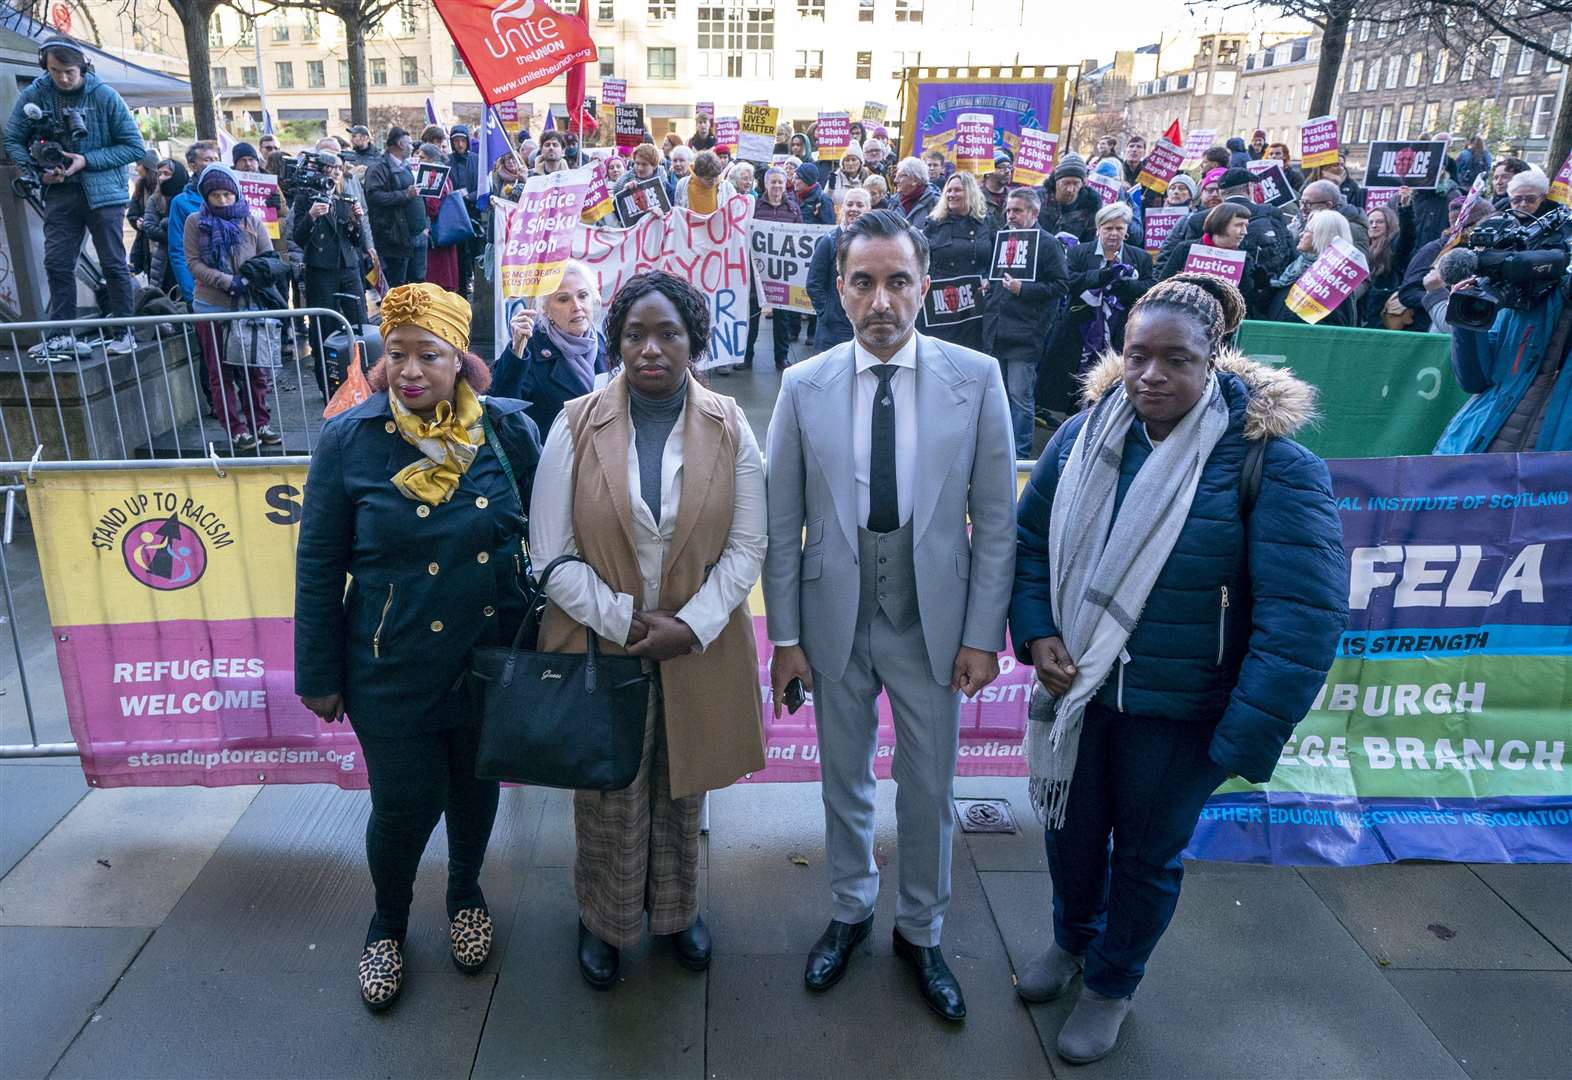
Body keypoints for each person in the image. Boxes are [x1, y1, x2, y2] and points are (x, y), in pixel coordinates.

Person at [1010, 273, 1345, 1064]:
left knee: (1149, 858)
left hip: (1183, 711)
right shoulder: (1083, 437)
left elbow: (1303, 618)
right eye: (1137, 356)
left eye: (1176, 360)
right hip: (1079, 696)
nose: (1152, 375)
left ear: (1215, 360)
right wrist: (1036, 631)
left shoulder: (1270, 462)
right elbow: (1028, 546)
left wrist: (1240, 739)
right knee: (1070, 833)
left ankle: (1112, 985)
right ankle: (1071, 940)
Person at [764, 208, 1015, 1023]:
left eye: (898, 281)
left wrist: (983, 635)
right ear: (839, 290)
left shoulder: (975, 379)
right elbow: (781, 523)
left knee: (930, 786)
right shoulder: (803, 387)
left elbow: (996, 523)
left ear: (926, 288)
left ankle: (921, 929)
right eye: (864, 282)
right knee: (843, 779)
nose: (881, 300)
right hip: (834, 619)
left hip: (931, 623)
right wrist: (787, 638)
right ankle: (848, 910)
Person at [294, 282, 541, 1011]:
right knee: (403, 803)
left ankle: (465, 893)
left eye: (427, 355)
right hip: (389, 661)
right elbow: (318, 565)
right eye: (394, 353)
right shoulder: (350, 439)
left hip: (487, 654)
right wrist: (318, 670)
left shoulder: (507, 432)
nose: (408, 370)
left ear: (459, 360)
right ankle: (388, 923)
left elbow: (549, 532)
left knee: (473, 787)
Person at [530, 270, 767, 988]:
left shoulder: (730, 423)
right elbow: (550, 554)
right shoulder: (575, 422)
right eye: (636, 334)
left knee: (681, 782)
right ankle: (603, 920)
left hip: (696, 648)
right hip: (603, 648)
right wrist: (628, 622)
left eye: (668, 333)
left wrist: (689, 627)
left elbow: (747, 546)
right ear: (617, 343)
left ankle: (676, 912)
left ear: (694, 340)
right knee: (608, 793)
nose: (652, 348)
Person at [4, 36, 144, 357]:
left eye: (69, 71)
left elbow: (134, 147)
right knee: (56, 262)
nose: (63, 77)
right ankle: (61, 335)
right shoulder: (35, 94)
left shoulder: (105, 96)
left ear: (82, 66)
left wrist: (87, 160)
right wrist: (35, 169)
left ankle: (124, 331)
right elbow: (12, 137)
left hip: (104, 194)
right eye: (55, 70)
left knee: (113, 263)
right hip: (59, 190)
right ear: (45, 66)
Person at [182, 164, 278, 451]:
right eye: (216, 196)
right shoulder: (195, 222)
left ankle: (260, 422)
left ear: (235, 193)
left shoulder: (252, 219)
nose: (223, 200)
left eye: (227, 194)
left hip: (248, 306)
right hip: (211, 307)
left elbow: (268, 257)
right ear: (206, 196)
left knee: (253, 370)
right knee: (219, 371)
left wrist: (250, 277)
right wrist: (226, 281)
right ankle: (235, 428)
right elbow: (193, 262)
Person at [982, 187, 1070, 459]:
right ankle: (999, 447)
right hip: (996, 330)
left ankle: (1020, 454)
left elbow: (1062, 285)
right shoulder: (1003, 239)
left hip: (1025, 335)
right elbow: (996, 274)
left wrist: (1024, 289)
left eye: (1017, 210)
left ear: (1034, 212)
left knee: (1021, 397)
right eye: (1008, 210)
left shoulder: (1047, 243)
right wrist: (988, 283)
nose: (1010, 216)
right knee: (999, 395)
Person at [1044, 202, 1155, 417]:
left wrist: (1124, 286)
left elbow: (1150, 287)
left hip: (1119, 331)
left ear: (1127, 231)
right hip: (1079, 329)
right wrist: (1100, 277)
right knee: (1075, 381)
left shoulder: (1140, 257)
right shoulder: (1079, 252)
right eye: (1108, 228)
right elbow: (1068, 281)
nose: (1113, 233)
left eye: (1119, 228)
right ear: (1098, 229)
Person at [492, 261, 609, 436]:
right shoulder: (528, 348)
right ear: (545, 309)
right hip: (554, 458)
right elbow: (502, 407)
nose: (577, 307)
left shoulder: (602, 343)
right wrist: (516, 352)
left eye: (583, 295)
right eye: (563, 299)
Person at [293, 151, 372, 394]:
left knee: (360, 324)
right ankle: (329, 387)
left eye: (338, 167)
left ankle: (365, 380)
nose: (335, 171)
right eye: (329, 168)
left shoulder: (345, 197)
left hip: (348, 268)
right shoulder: (306, 198)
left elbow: (356, 240)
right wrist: (311, 216)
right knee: (323, 328)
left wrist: (356, 220)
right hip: (321, 270)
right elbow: (298, 237)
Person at [1157, 168, 1291, 282]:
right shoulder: (1272, 213)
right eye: (1238, 225)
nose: (1243, 232)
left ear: (1221, 193)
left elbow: (1166, 271)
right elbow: (1291, 252)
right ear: (1249, 187)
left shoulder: (1196, 220)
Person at [919, 171, 997, 352]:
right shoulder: (933, 223)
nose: (951, 194)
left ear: (970, 193)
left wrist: (988, 278)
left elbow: (996, 260)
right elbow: (921, 260)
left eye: (958, 190)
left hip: (973, 305)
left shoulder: (987, 223)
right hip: (939, 304)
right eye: (949, 190)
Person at [1161, 202, 1270, 317]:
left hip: (1224, 325)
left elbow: (1249, 304)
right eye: (1239, 225)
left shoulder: (1245, 259)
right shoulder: (1185, 250)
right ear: (1221, 224)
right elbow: (1162, 285)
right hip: (1182, 319)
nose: (1244, 232)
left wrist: (1260, 286)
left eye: (1245, 226)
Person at [745, 167, 803, 370]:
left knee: (782, 318)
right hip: (757, 273)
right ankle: (746, 356)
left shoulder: (793, 209)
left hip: (782, 275)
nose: (777, 186)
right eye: (773, 182)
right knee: (752, 316)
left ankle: (781, 357)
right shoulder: (754, 207)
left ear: (785, 184)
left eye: (780, 182)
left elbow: (800, 238)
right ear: (766, 184)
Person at [806, 186, 871, 352]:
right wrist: (828, 312)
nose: (854, 209)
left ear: (868, 209)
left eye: (859, 205)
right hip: (833, 330)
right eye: (850, 204)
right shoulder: (829, 241)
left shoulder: (874, 244)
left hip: (864, 326)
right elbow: (814, 283)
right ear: (842, 209)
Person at [1265, 209, 1356, 325]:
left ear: (1322, 236)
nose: (1301, 234)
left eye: (1307, 230)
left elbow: (1333, 326)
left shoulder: (1333, 280)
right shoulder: (1299, 264)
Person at [364, 128, 429, 288]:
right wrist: (405, 194)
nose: (413, 147)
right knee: (397, 286)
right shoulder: (378, 168)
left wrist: (425, 226)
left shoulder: (406, 166)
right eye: (409, 143)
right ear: (400, 144)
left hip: (417, 234)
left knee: (418, 283)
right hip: (396, 238)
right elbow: (374, 197)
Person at [166, 141, 220, 306]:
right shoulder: (181, 203)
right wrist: (191, 294)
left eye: (216, 159)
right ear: (193, 166)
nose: (213, 164)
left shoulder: (235, 196)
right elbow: (178, 251)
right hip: (202, 288)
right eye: (207, 159)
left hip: (233, 287)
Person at [1359, 202, 1413, 328]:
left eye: (1379, 222)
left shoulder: (1394, 246)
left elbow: (1408, 236)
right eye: (1370, 221)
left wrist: (1405, 210)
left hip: (1384, 312)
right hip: (1364, 312)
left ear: (1389, 224)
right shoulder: (1362, 248)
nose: (1374, 225)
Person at [416, 142, 460, 292]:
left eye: (422, 157)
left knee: (438, 275)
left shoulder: (432, 175)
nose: (419, 160)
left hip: (436, 229)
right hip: (447, 228)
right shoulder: (444, 173)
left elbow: (432, 206)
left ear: (430, 159)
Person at [141, 158, 187, 293]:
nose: (161, 178)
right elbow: (150, 228)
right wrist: (175, 231)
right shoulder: (155, 199)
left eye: (166, 174)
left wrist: (166, 224)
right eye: (159, 174)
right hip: (164, 260)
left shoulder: (187, 198)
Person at [1296, 178, 1371, 257]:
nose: (1302, 208)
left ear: (1328, 205)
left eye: (1308, 204)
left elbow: (1356, 264)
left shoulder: (1350, 228)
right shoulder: (1311, 220)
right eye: (1301, 203)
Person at [1039, 155, 1100, 244]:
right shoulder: (1039, 199)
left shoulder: (1091, 206)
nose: (1070, 189)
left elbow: (1088, 242)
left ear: (1083, 184)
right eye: (1066, 183)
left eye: (1076, 183)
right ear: (1056, 180)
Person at [674, 149, 736, 213]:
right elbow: (678, 212)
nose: (714, 182)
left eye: (716, 177)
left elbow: (734, 211)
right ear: (698, 175)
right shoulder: (683, 184)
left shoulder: (727, 187)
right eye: (709, 179)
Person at [893, 157, 938, 223]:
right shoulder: (894, 200)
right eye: (896, 176)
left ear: (915, 180)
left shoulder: (934, 202)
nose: (895, 180)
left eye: (901, 176)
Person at [826, 142, 869, 210]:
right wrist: (830, 189)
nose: (850, 163)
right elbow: (825, 201)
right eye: (847, 160)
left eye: (853, 160)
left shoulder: (867, 177)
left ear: (860, 162)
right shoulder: (834, 177)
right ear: (843, 163)